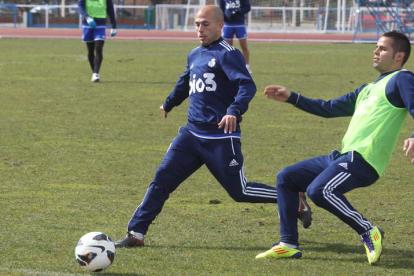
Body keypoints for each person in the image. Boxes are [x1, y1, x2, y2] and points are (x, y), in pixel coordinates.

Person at [114, 5, 311, 248]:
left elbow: (246, 85)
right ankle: (136, 233)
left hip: (220, 136)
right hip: (190, 135)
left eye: (205, 24)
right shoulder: (194, 54)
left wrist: (233, 111)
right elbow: (186, 82)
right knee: (162, 178)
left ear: (220, 26)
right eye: (197, 24)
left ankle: (295, 198)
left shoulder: (228, 53)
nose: (200, 29)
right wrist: (169, 103)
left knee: (240, 192)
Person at [255, 30, 414, 265]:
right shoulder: (367, 89)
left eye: (382, 49)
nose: (375, 51)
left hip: (363, 159)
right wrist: (291, 97)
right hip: (341, 157)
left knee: (319, 191)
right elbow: (328, 108)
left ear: (399, 55)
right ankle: (288, 244)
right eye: (376, 47)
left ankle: (369, 231)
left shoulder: (402, 79)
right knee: (286, 177)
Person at [78, 0, 117, 82]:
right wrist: (87, 17)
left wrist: (114, 25)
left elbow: (110, 9)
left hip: (101, 24)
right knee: (90, 50)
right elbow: (80, 6)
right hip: (87, 24)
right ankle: (94, 73)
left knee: (99, 48)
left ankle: (96, 73)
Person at [219, 0, 252, 73]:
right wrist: (225, 16)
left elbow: (247, 7)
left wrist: (238, 10)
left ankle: (246, 67)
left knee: (244, 46)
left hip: (240, 23)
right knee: (227, 47)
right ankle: (228, 66)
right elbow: (221, 8)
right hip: (227, 24)